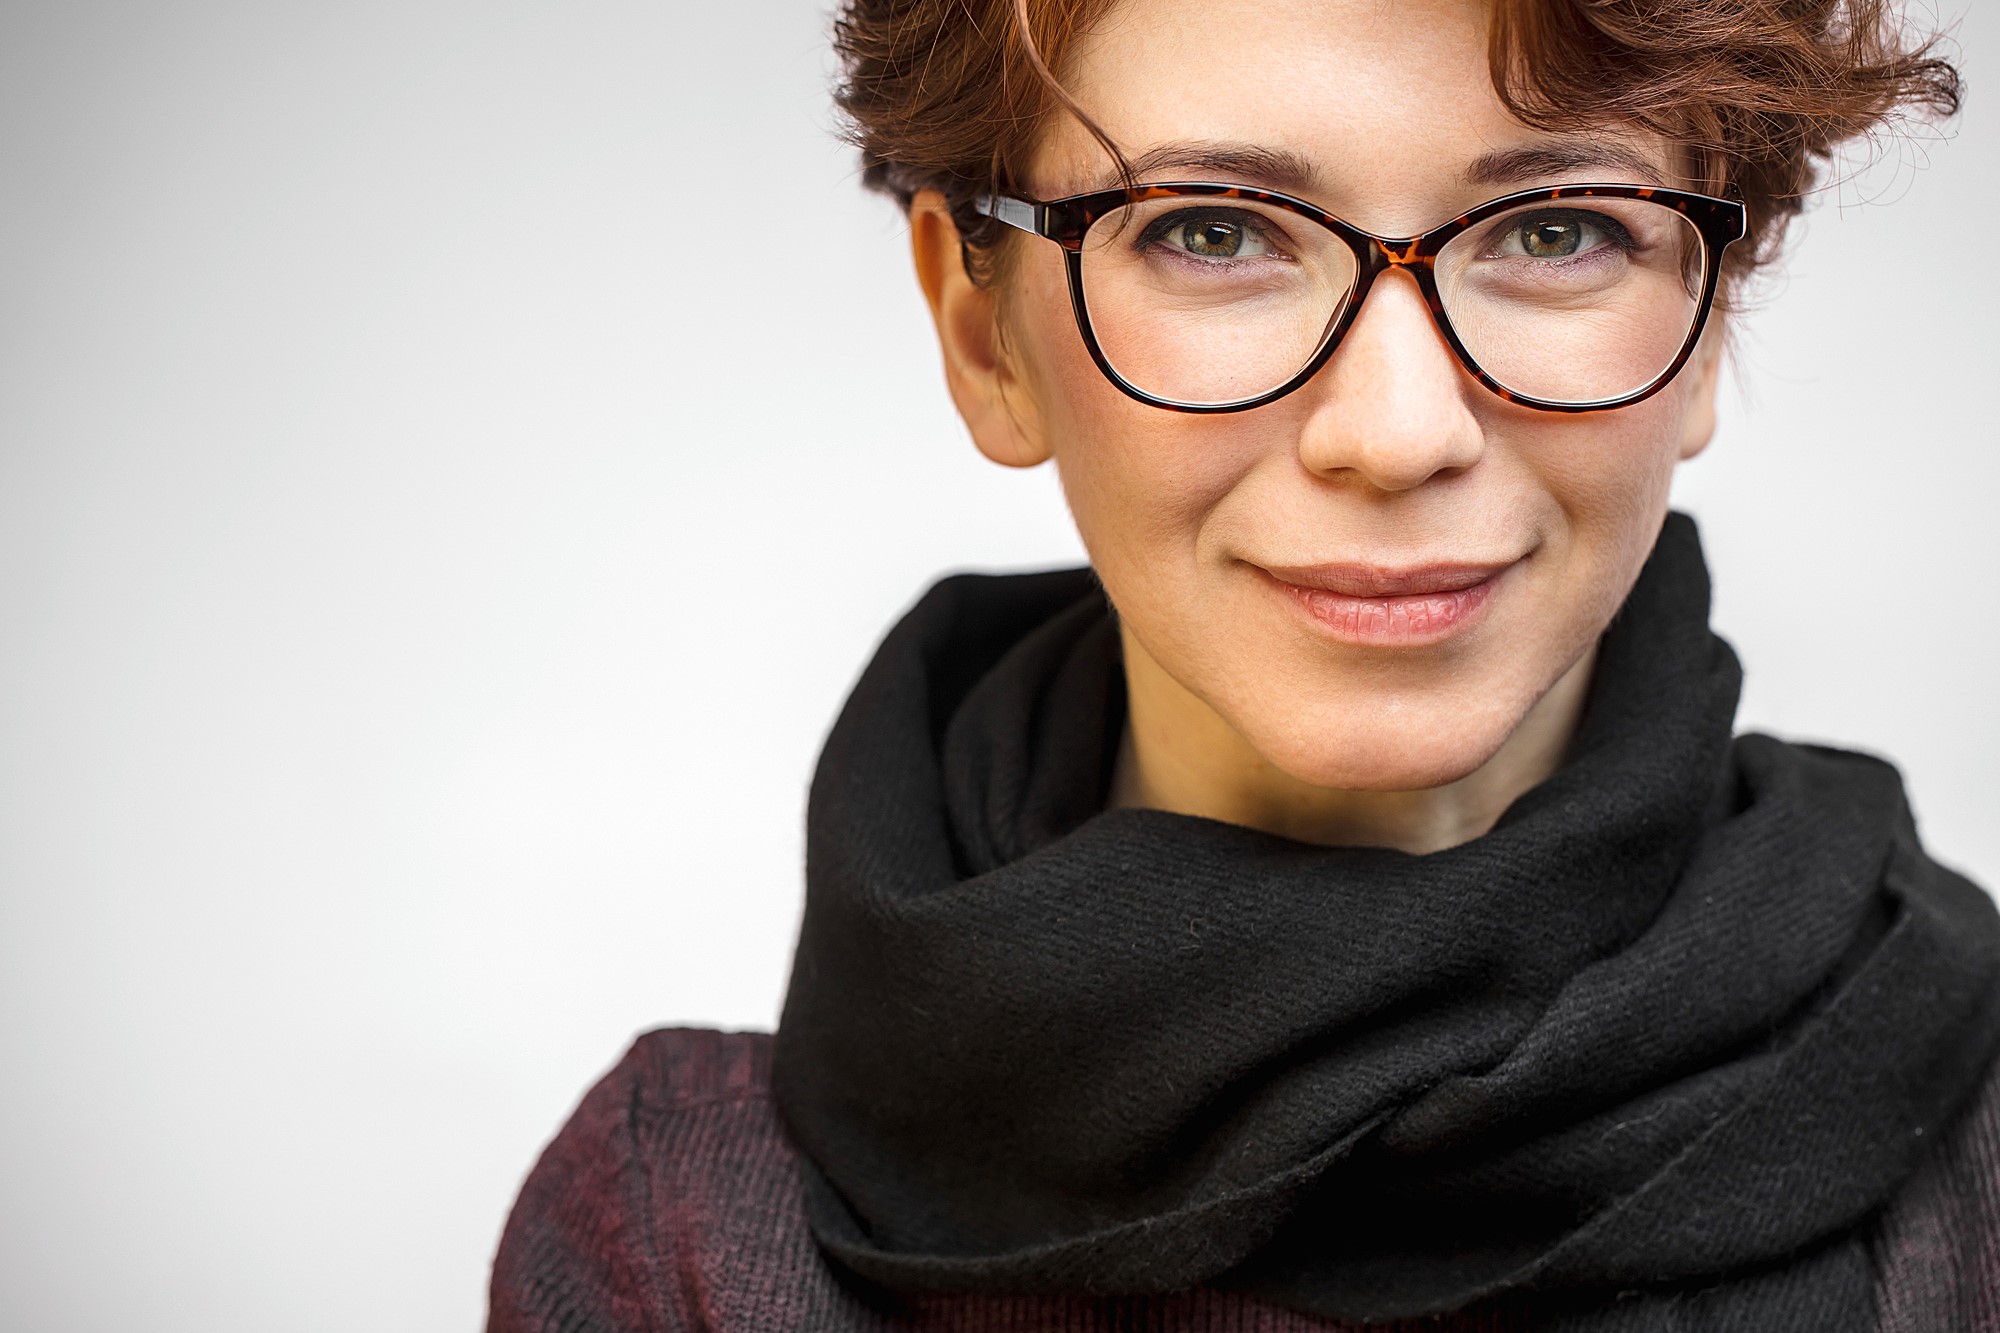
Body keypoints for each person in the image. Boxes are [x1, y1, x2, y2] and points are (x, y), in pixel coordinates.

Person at [487, 0, 2000, 1328]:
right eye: (1212, 231)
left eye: (1560, 229)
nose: (1401, 429)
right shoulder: (675, 1230)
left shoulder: (1977, 1151)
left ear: (1715, 307)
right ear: (981, 328)